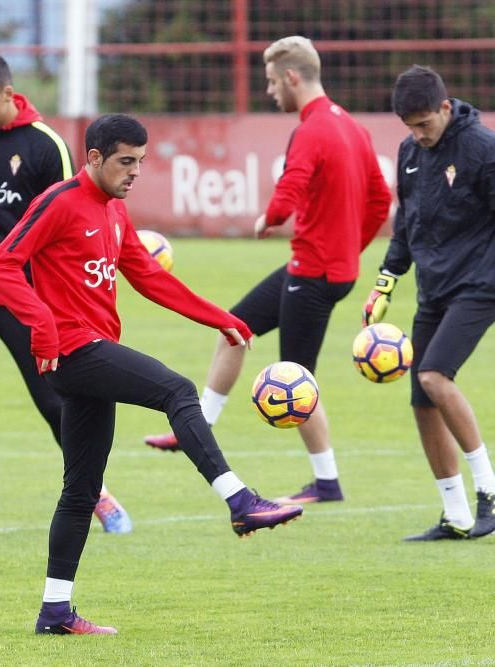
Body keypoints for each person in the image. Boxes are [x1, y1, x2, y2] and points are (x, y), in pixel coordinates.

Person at [0, 114, 303, 635]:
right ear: (93, 158)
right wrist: (41, 325)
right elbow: (1, 264)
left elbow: (151, 278)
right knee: (177, 390)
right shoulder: (60, 202)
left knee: (80, 491)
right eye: (125, 162)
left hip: (91, 352)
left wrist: (220, 317)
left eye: (140, 161)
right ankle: (240, 501)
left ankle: (54, 612)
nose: (135, 172)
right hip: (73, 350)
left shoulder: (114, 211)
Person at [144, 36, 392, 505]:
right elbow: (380, 198)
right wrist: (350, 249)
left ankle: (327, 483)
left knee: (296, 380)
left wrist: (269, 219)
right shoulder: (351, 126)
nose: (270, 91)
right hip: (323, 266)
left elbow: (291, 185)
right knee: (233, 327)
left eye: (272, 82)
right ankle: (196, 428)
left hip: (313, 273)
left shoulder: (313, 129)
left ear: (293, 78)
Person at [0, 51, 132, 540]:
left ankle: (96, 491)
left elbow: (74, 221)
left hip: (27, 299)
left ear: (9, 94)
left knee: (55, 404)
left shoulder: (45, 146)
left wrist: (64, 305)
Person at [365, 65, 495, 541]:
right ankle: (456, 514)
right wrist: (384, 283)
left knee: (434, 375)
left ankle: (490, 491)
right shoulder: (409, 152)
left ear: (445, 108)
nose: (418, 135)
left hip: (481, 283)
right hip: (434, 288)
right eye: (409, 127)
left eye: (424, 124)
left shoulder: (482, 148)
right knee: (422, 399)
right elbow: (407, 225)